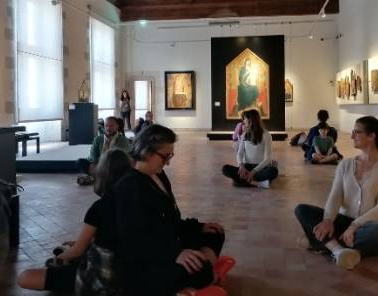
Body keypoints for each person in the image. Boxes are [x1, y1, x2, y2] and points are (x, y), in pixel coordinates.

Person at [112, 124, 226, 295]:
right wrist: (174, 254)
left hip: (171, 240)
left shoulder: (158, 175)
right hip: (148, 261)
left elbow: (170, 219)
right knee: (199, 270)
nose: (168, 162)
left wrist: (197, 227)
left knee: (215, 233)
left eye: (170, 156)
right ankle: (202, 276)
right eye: (165, 157)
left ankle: (197, 279)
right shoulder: (129, 187)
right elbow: (134, 241)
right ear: (147, 152)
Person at [295, 116, 378, 270]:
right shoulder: (346, 165)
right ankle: (338, 250)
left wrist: (354, 226)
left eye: (357, 132)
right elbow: (335, 196)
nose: (352, 136)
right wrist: (327, 220)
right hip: (345, 220)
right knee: (302, 210)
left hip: (370, 225)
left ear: (372, 136)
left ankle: (323, 243)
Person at [17, 149, 133, 293]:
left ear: (103, 173)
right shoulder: (135, 201)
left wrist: (59, 258)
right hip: (130, 270)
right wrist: (89, 242)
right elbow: (115, 236)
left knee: (25, 277)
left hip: (105, 275)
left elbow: (78, 251)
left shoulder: (100, 207)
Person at [222, 109, 278, 189]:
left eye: (245, 119)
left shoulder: (266, 135)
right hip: (246, 167)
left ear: (251, 120)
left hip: (259, 168)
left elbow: (267, 159)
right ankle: (258, 183)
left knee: (273, 171)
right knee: (225, 169)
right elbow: (240, 153)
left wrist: (253, 172)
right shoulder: (245, 135)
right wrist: (241, 166)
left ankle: (242, 181)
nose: (243, 121)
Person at [76, 117, 130, 185]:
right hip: (98, 165)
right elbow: (93, 155)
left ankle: (95, 178)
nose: (108, 128)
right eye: (106, 126)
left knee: (119, 168)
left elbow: (121, 157)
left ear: (117, 126)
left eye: (111, 126)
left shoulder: (122, 140)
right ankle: (101, 178)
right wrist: (97, 163)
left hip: (113, 166)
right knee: (80, 162)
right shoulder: (98, 139)